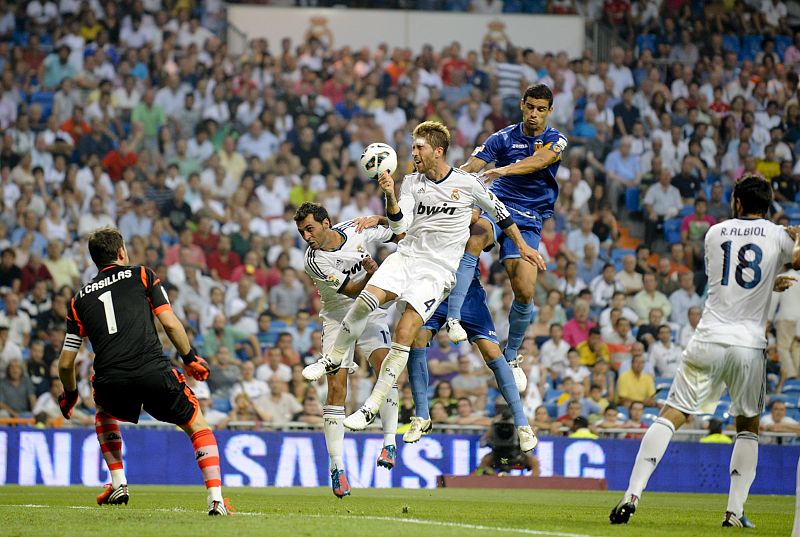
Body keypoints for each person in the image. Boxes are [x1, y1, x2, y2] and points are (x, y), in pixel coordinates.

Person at [302, 121, 543, 433]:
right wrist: (389, 196)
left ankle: (372, 406)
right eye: (413, 147)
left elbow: (502, 214)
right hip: (407, 257)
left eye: (419, 147)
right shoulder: (411, 183)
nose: (413, 152)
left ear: (437, 151)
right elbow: (400, 227)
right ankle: (331, 358)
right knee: (365, 301)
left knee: (405, 334)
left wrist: (523, 246)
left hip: (437, 271)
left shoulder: (467, 184)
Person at [611, 175, 800, 528]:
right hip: (748, 345)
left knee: (671, 414)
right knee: (748, 427)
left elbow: (731, 280)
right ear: (769, 204)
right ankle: (734, 511)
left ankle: (632, 493)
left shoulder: (715, 232)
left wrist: (768, 281)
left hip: (709, 337)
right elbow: (794, 261)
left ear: (737, 202)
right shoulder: (777, 235)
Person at [56, 227, 233, 516]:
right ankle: (215, 500)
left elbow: (65, 363)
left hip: (111, 379)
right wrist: (189, 358)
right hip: (152, 370)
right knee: (198, 426)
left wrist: (71, 394)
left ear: (95, 261)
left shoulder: (79, 300)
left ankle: (118, 482)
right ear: (121, 252)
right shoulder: (141, 274)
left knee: (103, 409)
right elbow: (170, 323)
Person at [445, 83, 566, 393]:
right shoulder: (501, 137)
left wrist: (504, 170)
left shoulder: (555, 140)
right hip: (498, 204)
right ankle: (454, 317)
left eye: (541, 109)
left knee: (525, 290)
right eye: (530, 107)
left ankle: (511, 356)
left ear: (549, 111)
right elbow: (473, 166)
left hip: (530, 217)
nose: (535, 114)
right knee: (476, 238)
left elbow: (539, 162)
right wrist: (450, 179)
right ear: (522, 106)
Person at [294, 202, 400, 499]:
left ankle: (389, 442)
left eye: (310, 229)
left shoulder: (356, 228)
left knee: (386, 366)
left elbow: (396, 231)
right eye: (302, 232)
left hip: (371, 312)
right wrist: (370, 275)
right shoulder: (313, 260)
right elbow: (351, 291)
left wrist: (378, 217)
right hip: (339, 315)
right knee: (337, 386)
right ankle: (337, 466)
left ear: (326, 224)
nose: (306, 236)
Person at [399, 256, 537, 451]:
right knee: (416, 340)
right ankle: (422, 415)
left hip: (469, 294)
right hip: (435, 286)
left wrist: (519, 242)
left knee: (492, 352)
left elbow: (485, 239)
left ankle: (522, 424)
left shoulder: (474, 225)